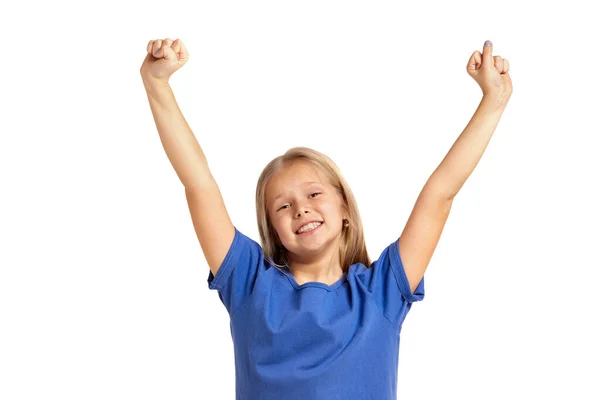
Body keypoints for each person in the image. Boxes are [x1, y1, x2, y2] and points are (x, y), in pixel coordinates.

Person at [140, 38, 512, 399]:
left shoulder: (380, 292)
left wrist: (493, 101)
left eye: (314, 194)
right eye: (283, 207)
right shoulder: (250, 283)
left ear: (345, 208)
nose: (301, 209)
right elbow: (198, 184)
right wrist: (157, 84)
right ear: (273, 229)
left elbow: (440, 195)